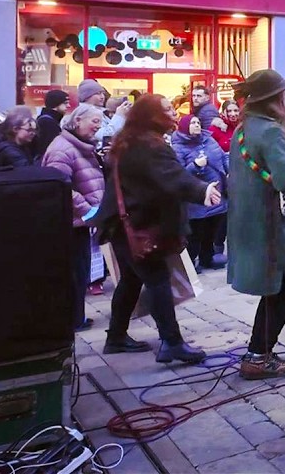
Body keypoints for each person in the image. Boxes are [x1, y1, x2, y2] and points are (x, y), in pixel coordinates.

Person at [93, 95, 221, 364]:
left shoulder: (129, 140)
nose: (174, 113)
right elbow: (170, 176)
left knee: (131, 281)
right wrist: (202, 190)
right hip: (138, 226)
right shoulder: (148, 145)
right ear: (152, 116)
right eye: (167, 110)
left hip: (124, 225)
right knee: (158, 282)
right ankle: (172, 342)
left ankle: (116, 337)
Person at [227, 69, 285, 380]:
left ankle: (259, 351)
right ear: (275, 100)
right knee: (283, 287)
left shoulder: (244, 128)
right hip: (269, 224)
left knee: (277, 288)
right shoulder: (271, 131)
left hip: (247, 222)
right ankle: (258, 355)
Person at [43, 103, 105, 332]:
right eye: (94, 122)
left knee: (81, 272)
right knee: (74, 273)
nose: (97, 127)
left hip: (80, 222)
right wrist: (87, 209)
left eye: (100, 122)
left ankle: (77, 317)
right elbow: (60, 186)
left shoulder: (80, 146)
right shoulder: (62, 148)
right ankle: (72, 320)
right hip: (72, 223)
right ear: (77, 120)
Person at [172, 115, 229, 272]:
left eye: (198, 122)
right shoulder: (178, 147)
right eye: (192, 123)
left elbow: (222, 156)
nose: (196, 125)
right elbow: (178, 173)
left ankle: (207, 258)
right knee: (195, 233)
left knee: (211, 230)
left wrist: (229, 170)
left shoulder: (209, 140)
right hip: (197, 198)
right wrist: (195, 165)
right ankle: (190, 263)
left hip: (217, 194)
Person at [34, 89, 70, 159]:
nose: (68, 106)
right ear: (56, 103)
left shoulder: (48, 119)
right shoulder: (48, 122)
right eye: (65, 103)